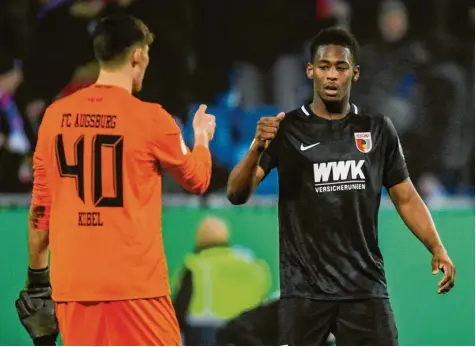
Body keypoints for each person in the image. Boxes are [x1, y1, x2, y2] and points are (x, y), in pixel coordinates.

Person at [226, 27, 456, 346]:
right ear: (310, 71)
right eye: (324, 66)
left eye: (341, 67)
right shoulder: (287, 129)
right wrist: (256, 148)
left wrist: (436, 246)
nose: (332, 75)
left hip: (364, 289)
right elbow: (237, 194)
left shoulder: (377, 130)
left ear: (355, 73)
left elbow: (405, 197)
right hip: (304, 294)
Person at [15, 14, 216, 346]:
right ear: (138, 56)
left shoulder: (55, 117)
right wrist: (202, 138)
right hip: (136, 290)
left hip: (73, 290)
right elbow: (197, 180)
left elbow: (40, 211)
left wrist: (38, 282)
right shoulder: (152, 118)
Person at [173, 216, 271, 346]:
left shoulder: (196, 265)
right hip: (245, 332)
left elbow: (181, 305)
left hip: (205, 334)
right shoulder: (252, 265)